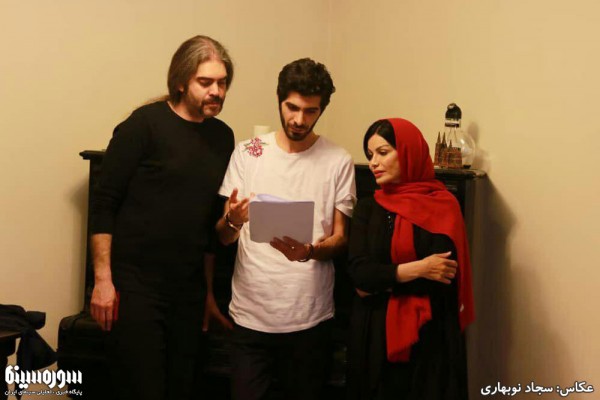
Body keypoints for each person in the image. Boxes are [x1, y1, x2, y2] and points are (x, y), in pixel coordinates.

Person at [89, 35, 235, 400]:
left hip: (188, 290)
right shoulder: (144, 125)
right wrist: (102, 281)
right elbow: (104, 204)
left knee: (182, 387)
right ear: (181, 81)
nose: (216, 91)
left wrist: (208, 294)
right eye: (206, 82)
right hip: (135, 287)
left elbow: (207, 228)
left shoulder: (223, 137)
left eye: (222, 83)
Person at [216, 58, 356, 400]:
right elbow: (223, 236)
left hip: (309, 318)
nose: (299, 119)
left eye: (310, 111)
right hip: (250, 317)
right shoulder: (249, 152)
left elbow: (341, 239)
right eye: (292, 108)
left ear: (322, 110)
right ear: (279, 100)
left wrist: (309, 251)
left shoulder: (338, 160)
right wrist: (234, 219)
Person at [346, 118, 475, 400]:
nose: (373, 163)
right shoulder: (368, 207)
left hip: (429, 337)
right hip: (375, 336)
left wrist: (382, 281)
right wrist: (418, 268)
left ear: (408, 152)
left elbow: (442, 277)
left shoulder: (443, 205)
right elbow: (359, 275)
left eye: (383, 152)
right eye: (370, 155)